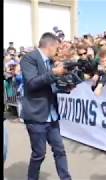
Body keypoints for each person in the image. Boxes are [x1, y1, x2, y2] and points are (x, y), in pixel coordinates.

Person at [20, 32, 72, 180]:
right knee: (39, 154)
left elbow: (51, 87)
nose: (58, 51)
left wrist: (65, 88)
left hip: (52, 116)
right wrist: (54, 72)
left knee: (60, 150)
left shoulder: (50, 62)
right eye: (57, 48)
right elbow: (32, 83)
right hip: (36, 116)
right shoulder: (28, 59)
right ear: (50, 46)